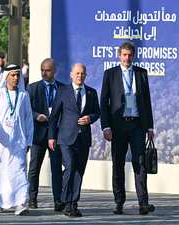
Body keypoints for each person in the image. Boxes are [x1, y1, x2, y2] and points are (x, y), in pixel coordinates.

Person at [100, 41, 155, 215]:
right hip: (118, 126)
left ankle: (143, 203)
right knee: (118, 164)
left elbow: (146, 101)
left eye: (130, 55)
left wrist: (150, 127)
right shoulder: (110, 74)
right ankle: (119, 202)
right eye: (124, 54)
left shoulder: (141, 73)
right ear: (119, 55)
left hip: (137, 125)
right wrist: (105, 126)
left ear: (133, 56)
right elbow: (104, 102)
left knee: (140, 164)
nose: (127, 58)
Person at [48, 63, 100, 217]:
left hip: (83, 139)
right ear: (71, 75)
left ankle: (73, 203)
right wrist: (51, 136)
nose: (80, 76)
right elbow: (54, 116)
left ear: (86, 75)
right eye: (77, 73)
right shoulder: (63, 91)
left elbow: (97, 112)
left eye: (82, 74)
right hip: (65, 138)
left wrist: (89, 118)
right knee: (70, 166)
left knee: (79, 171)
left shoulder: (91, 92)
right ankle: (65, 200)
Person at [0, 64, 33, 216]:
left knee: (19, 171)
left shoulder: (24, 96)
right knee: (0, 173)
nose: (15, 78)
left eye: (17, 75)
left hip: (19, 141)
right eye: (12, 75)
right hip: (0, 142)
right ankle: (1, 203)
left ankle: (21, 203)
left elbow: (28, 120)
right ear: (6, 77)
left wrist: (29, 141)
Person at [27, 58, 64, 211]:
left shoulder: (63, 88)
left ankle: (58, 200)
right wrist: (37, 116)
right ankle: (32, 199)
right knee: (34, 168)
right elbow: (26, 109)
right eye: (42, 70)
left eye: (47, 70)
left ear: (54, 71)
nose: (44, 73)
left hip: (55, 135)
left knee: (56, 169)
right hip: (38, 134)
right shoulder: (33, 88)